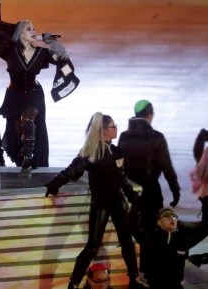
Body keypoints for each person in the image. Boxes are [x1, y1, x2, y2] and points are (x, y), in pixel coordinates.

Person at [45, 112, 143, 289]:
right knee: (95, 246)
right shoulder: (92, 152)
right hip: (103, 202)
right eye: (113, 126)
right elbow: (73, 170)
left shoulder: (114, 151)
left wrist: (132, 196)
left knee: (125, 242)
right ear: (104, 130)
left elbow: (120, 178)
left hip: (115, 201)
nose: (116, 129)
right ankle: (74, 283)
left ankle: (133, 280)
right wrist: (54, 184)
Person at [0, 0, 75, 173]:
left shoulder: (41, 53)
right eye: (28, 29)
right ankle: (22, 161)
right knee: (17, 132)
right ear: (20, 34)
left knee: (28, 119)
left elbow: (61, 59)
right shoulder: (10, 50)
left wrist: (56, 48)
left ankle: (28, 158)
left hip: (34, 95)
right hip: (14, 95)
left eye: (34, 29)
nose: (33, 31)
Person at [117, 99, 181, 282]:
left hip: (130, 192)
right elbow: (167, 167)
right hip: (151, 192)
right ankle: (148, 271)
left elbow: (120, 167)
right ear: (150, 115)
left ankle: (134, 274)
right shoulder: (157, 137)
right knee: (152, 231)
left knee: (132, 231)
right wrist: (175, 191)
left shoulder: (123, 137)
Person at [188, 146, 208, 267]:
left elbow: (195, 173)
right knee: (204, 228)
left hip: (206, 196)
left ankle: (185, 251)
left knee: (204, 227)